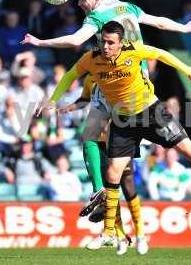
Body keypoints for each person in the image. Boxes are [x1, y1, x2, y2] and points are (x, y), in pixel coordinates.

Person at [40, 21, 191, 253]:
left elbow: (163, 54)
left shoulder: (134, 50)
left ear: (121, 43)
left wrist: (188, 70)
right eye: (103, 41)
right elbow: (69, 76)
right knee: (113, 172)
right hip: (123, 122)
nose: (105, 46)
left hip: (151, 113)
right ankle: (108, 233)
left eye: (110, 42)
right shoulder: (90, 59)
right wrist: (53, 100)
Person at [21, 0, 191, 218]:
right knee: (98, 137)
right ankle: (105, 197)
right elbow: (158, 22)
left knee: (94, 137)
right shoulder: (127, 7)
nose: (78, 4)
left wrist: (40, 42)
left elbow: (76, 40)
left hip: (117, 79)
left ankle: (103, 193)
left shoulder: (96, 17)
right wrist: (183, 28)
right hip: (137, 78)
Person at [58, 73, 147, 254]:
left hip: (122, 137)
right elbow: (84, 99)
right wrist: (69, 107)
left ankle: (140, 234)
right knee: (110, 188)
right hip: (101, 141)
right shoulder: (91, 79)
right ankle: (121, 235)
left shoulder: (120, 76)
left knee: (127, 184)